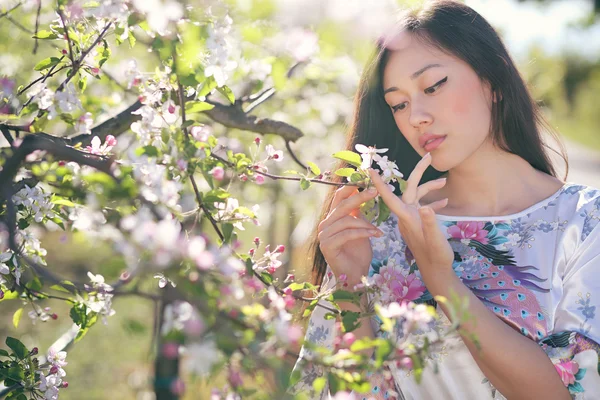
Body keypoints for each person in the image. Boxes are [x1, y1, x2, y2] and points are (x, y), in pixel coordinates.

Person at [288, 0, 600, 399]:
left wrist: (442, 280)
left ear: (494, 81)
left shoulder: (584, 222)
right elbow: (346, 390)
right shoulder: (378, 232)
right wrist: (351, 287)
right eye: (398, 104)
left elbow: (569, 392)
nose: (416, 116)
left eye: (433, 86)